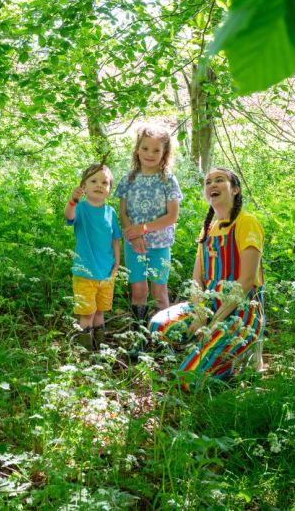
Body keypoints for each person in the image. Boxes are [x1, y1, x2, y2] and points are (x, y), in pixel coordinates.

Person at [150, 167, 265, 390]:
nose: (212, 184)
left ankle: (240, 357)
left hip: (242, 312)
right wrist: (201, 315)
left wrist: (214, 322)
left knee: (188, 379)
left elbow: (248, 280)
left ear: (235, 190)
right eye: (208, 182)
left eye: (219, 180)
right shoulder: (207, 229)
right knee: (159, 326)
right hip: (209, 306)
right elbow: (197, 281)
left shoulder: (246, 222)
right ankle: (211, 351)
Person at [115, 125, 183, 326]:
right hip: (134, 245)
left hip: (160, 245)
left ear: (164, 153)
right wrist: (134, 236)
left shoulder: (168, 180)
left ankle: (162, 336)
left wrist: (143, 228)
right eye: (145, 148)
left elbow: (172, 216)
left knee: (159, 291)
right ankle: (139, 337)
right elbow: (123, 213)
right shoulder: (129, 179)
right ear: (137, 149)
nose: (150, 154)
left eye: (156, 150)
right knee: (138, 290)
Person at [65, 160, 122, 351]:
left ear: (109, 189)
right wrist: (73, 200)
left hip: (106, 272)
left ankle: (101, 348)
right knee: (87, 314)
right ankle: (86, 352)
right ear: (84, 187)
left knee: (100, 312)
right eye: (93, 181)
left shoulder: (110, 212)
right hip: (85, 272)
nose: (99, 185)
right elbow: (69, 216)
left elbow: (115, 238)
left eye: (104, 182)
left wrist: (117, 262)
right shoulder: (80, 208)